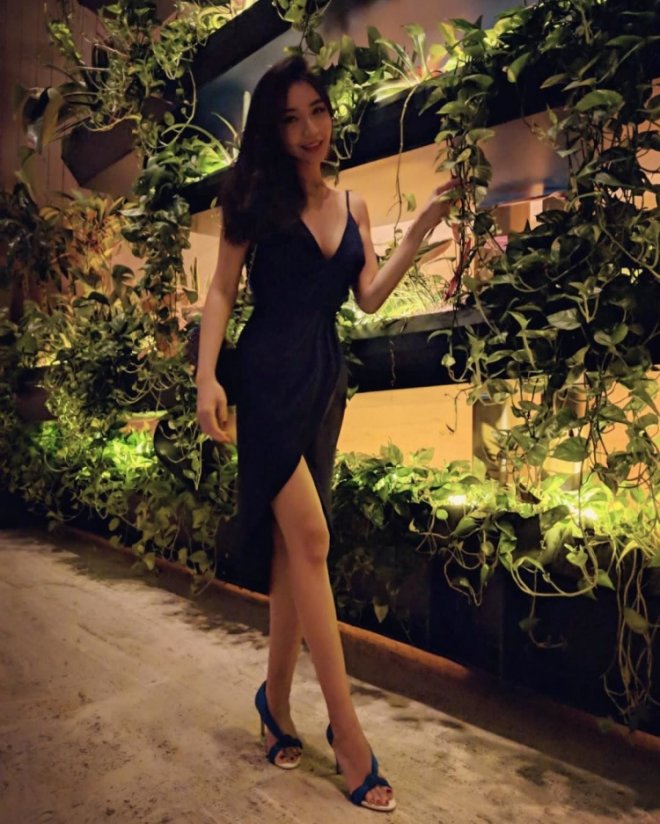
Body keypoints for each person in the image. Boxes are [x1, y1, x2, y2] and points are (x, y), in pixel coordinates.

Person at [195, 55, 458, 812]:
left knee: (292, 557)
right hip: (267, 378)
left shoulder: (353, 205)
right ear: (273, 130)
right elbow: (221, 291)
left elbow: (368, 297)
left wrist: (423, 228)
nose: (309, 130)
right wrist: (206, 377)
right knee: (312, 541)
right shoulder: (252, 198)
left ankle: (275, 704)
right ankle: (348, 735)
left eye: (318, 111)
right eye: (290, 118)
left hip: (322, 384)